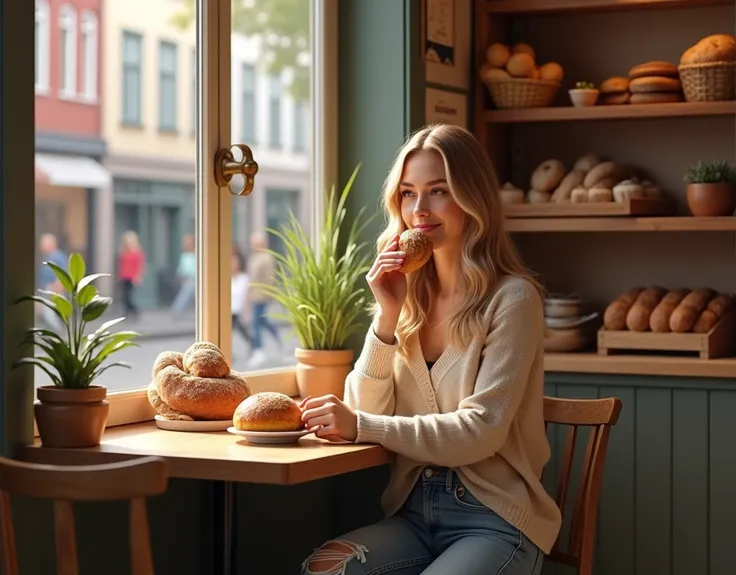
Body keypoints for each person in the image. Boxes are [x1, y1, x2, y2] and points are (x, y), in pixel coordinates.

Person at [299, 124, 562, 575]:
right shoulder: (405, 298)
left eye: (438, 191)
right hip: (413, 515)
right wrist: (385, 316)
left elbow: (482, 431)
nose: (419, 209)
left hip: (495, 521)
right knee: (322, 569)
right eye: (407, 193)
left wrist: (360, 424)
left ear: (471, 197)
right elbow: (367, 404)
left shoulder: (513, 299)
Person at [117, 230, 145, 319]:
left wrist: (138, 276)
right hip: (124, 276)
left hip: (132, 277)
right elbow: (121, 265)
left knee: (129, 296)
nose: (128, 244)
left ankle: (135, 310)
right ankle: (126, 313)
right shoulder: (123, 252)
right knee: (124, 296)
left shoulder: (137, 253)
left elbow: (139, 265)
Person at [231, 249, 252, 348]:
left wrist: (246, 313)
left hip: (238, 311)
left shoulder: (244, 278)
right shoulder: (227, 278)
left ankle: (254, 346)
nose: (234, 265)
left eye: (236, 262)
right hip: (229, 311)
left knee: (242, 331)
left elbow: (246, 297)